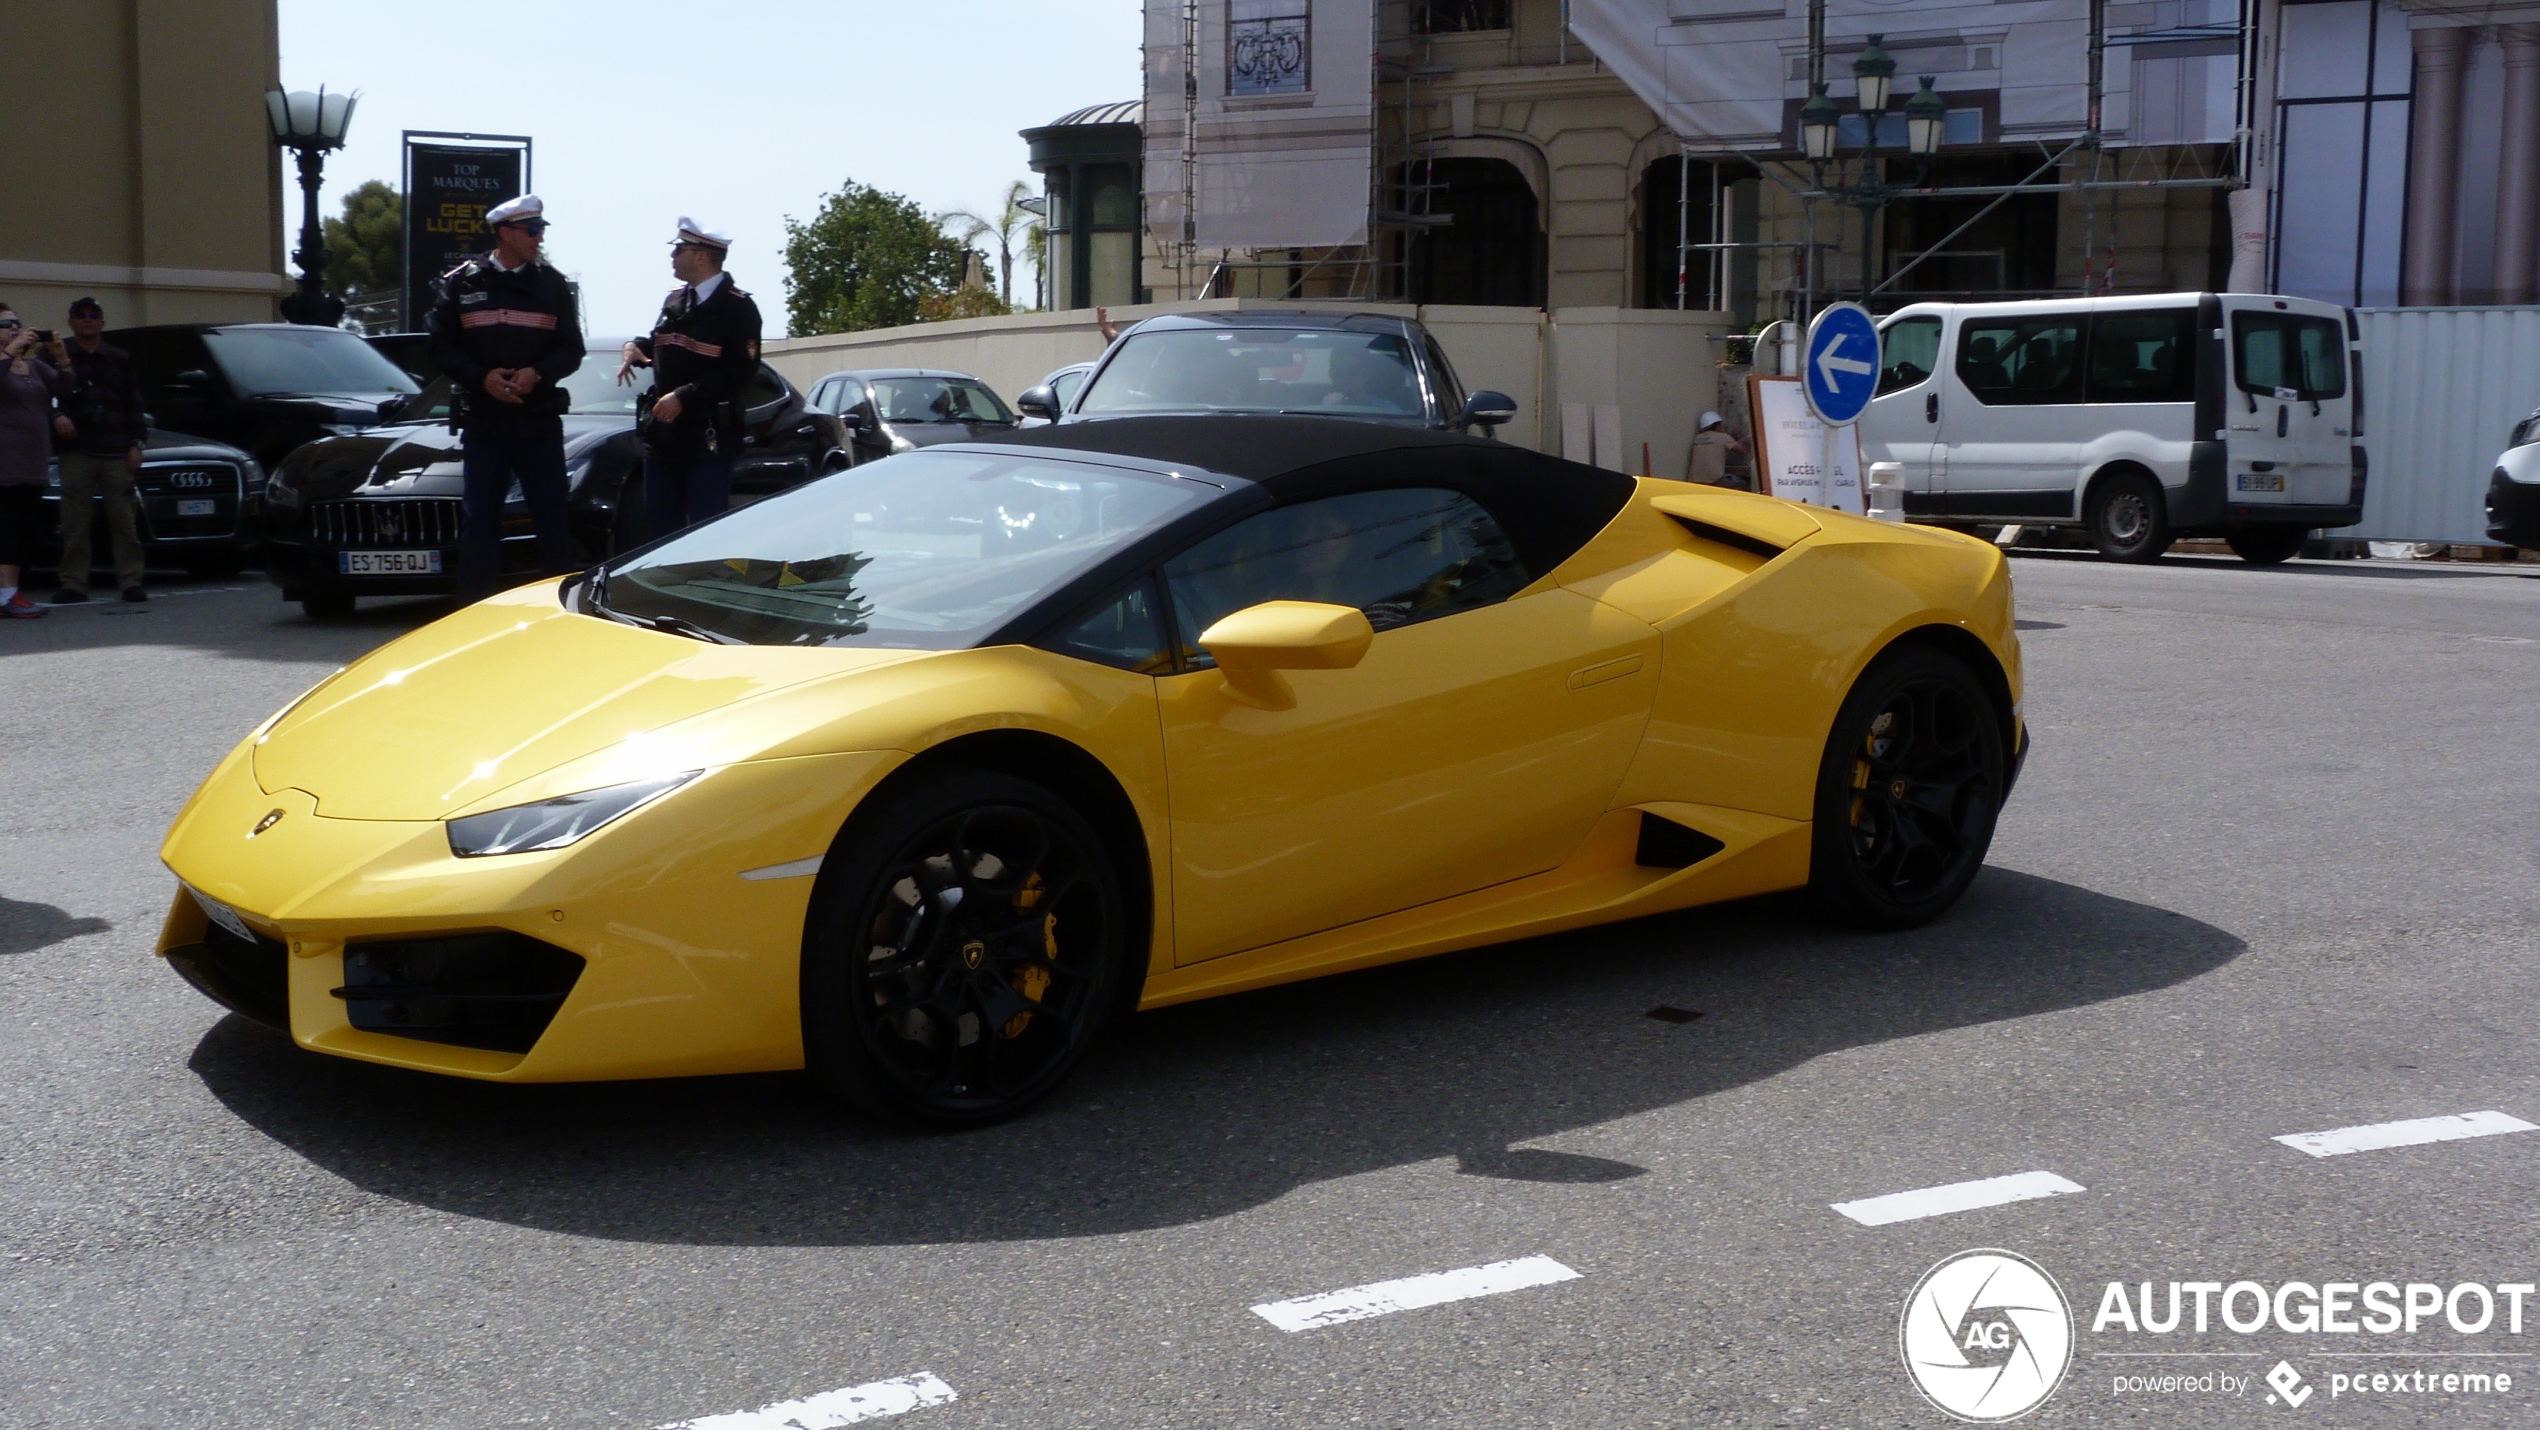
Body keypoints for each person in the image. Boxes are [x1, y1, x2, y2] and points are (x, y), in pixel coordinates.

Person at [427, 193, 585, 602]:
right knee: (479, 524)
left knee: (552, 522)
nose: (538, 238)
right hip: (485, 424)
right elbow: (440, 348)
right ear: (504, 233)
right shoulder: (461, 282)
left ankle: (559, 614)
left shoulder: (552, 285)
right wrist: (482, 379)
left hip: (539, 424)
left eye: (540, 230)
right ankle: (471, 613)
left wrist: (539, 373)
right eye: (531, 230)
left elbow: (571, 349)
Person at [616, 217, 760, 541]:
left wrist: (685, 397)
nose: (672, 256)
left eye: (679, 249)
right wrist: (634, 348)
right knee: (658, 533)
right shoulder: (674, 301)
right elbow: (659, 341)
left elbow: (740, 372)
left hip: (706, 439)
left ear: (701, 256)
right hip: (664, 438)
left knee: (704, 534)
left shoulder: (739, 308)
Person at [50, 296, 147, 604]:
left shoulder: (119, 357)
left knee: (125, 522)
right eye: (80, 315)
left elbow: (134, 403)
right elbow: (43, 396)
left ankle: (131, 581)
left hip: (116, 451)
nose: (87, 320)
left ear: (103, 322)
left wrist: (136, 444)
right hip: (76, 451)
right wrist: (56, 416)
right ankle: (74, 583)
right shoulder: (56, 354)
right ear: (71, 322)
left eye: (94, 315)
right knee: (74, 524)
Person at [0, 304, 67, 618]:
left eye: (18, 322)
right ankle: (7, 595)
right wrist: (11, 349)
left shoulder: (35, 367)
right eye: (5, 324)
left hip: (33, 462)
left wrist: (61, 357)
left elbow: (70, 391)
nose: (14, 328)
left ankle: (8, 592)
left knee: (24, 529)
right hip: (5, 462)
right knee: (7, 529)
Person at [1684, 410, 1750, 489]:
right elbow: (1743, 451)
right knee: (1741, 484)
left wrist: (1733, 437)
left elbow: (1716, 444)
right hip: (1715, 481)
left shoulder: (1698, 438)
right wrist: (1748, 440)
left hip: (1694, 481)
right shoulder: (1723, 437)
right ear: (1717, 426)